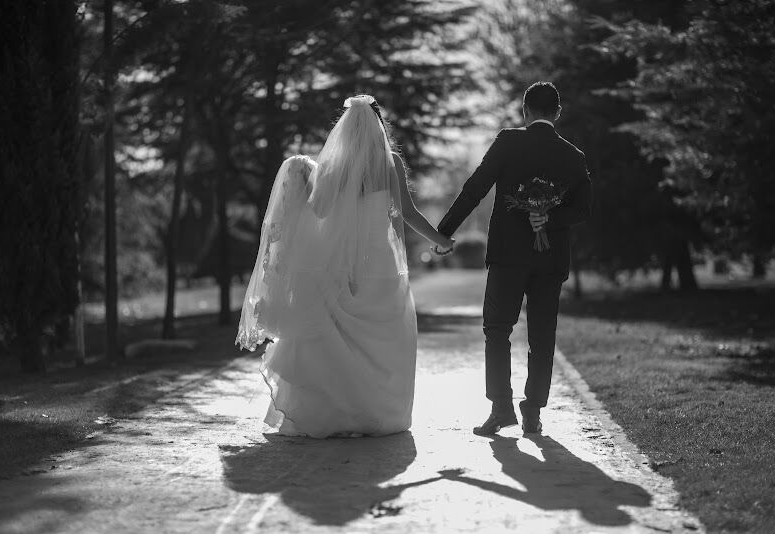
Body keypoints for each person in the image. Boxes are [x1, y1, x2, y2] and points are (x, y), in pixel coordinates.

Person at [236, 94, 454, 438]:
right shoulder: (391, 163)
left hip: (339, 263)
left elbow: (319, 212)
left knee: (340, 340)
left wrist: (308, 177)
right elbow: (407, 214)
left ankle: (337, 414)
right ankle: (375, 413)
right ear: (379, 127)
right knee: (383, 341)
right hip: (379, 262)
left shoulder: (334, 167)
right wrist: (441, 240)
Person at [437, 82, 591, 436]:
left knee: (497, 330)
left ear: (525, 111)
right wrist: (550, 217)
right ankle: (533, 412)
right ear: (558, 113)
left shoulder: (508, 141)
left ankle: (501, 409)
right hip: (551, 259)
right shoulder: (574, 156)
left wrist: (444, 232)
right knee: (542, 335)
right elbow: (583, 209)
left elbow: (475, 189)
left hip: (507, 256)